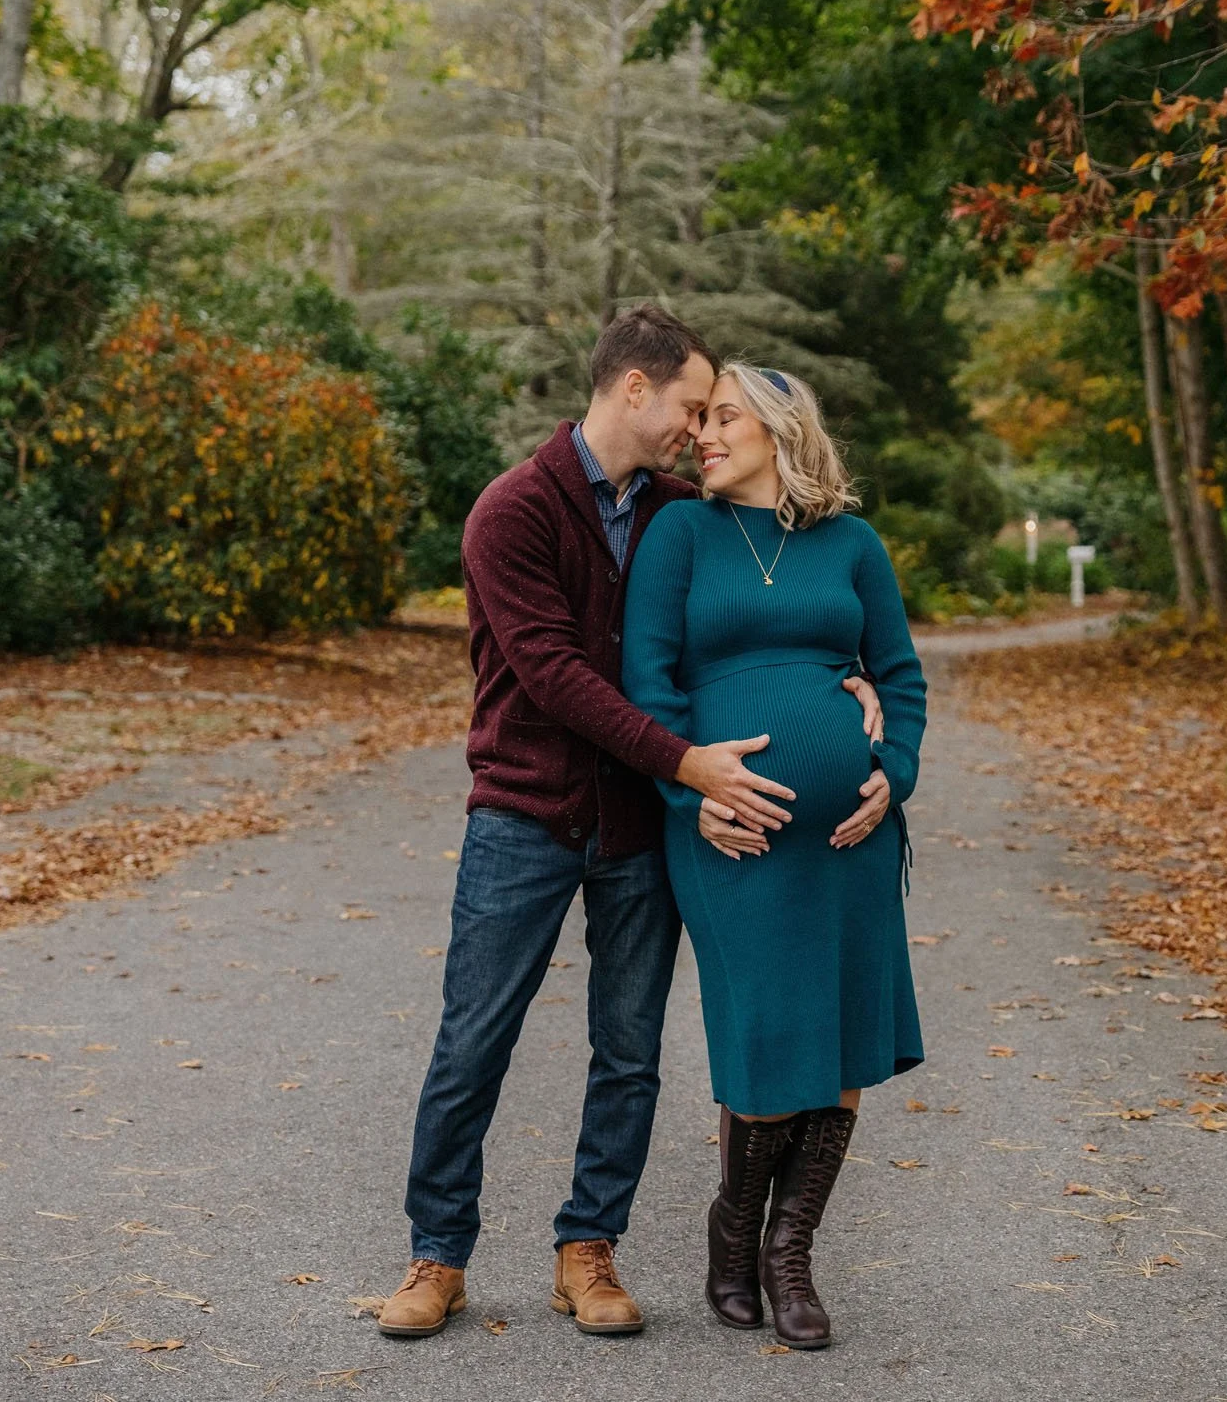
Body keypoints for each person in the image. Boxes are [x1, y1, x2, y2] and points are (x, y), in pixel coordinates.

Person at [380, 308, 883, 1341]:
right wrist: (686, 764)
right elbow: (555, 674)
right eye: (692, 406)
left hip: (632, 829)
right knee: (475, 1037)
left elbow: (750, 616)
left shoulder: (674, 511)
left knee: (629, 1047)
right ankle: (438, 1253)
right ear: (634, 390)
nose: (700, 431)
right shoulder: (511, 511)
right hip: (523, 811)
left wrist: (850, 680)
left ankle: (587, 1247)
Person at [621, 361, 929, 1351]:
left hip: (853, 842)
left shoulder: (852, 543)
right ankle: (731, 1228)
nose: (703, 434)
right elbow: (647, 678)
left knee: (838, 1039)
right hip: (728, 832)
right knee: (759, 1035)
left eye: (723, 419)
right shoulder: (680, 531)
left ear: (780, 430)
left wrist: (894, 769)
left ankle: (788, 1253)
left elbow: (900, 674)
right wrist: (688, 787)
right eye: (700, 417)